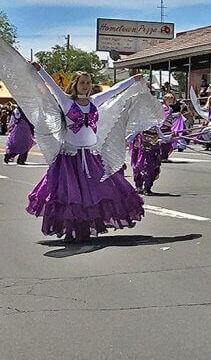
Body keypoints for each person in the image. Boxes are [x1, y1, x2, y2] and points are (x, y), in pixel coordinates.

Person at [14, 59, 158, 242]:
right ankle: (69, 230)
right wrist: (40, 70)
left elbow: (114, 90)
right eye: (82, 82)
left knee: (95, 193)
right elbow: (50, 85)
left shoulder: (95, 101)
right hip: (69, 158)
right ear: (75, 84)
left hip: (90, 156)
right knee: (69, 194)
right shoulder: (66, 102)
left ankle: (85, 227)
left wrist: (132, 80)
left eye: (88, 83)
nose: (86, 86)